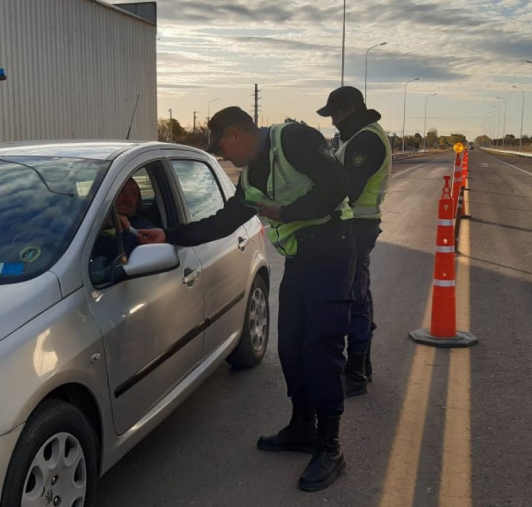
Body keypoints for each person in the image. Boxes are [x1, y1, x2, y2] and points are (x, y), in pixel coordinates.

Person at [138, 106, 356, 492]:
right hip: (301, 260)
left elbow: (339, 184)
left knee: (321, 348)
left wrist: (286, 211)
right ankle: (303, 426)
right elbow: (226, 219)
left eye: (222, 147)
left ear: (237, 134)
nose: (223, 156)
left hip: (333, 252)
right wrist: (170, 235)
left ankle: (330, 447)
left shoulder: (294, 140)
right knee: (291, 346)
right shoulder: (253, 173)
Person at [316, 86, 391, 397]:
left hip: (357, 227)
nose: (332, 121)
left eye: (335, 114)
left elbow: (348, 188)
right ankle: (364, 365)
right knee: (359, 293)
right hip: (356, 225)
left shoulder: (366, 139)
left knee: (356, 298)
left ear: (349, 110)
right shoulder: (356, 137)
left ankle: (357, 372)